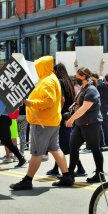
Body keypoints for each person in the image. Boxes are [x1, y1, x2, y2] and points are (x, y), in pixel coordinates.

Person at [10, 56, 74, 190]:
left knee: (36, 153)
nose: (36, 69)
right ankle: (67, 176)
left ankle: (27, 180)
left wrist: (29, 102)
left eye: (37, 67)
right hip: (50, 121)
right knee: (55, 149)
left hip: (42, 122)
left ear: (42, 67)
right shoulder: (51, 78)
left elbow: (48, 101)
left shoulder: (47, 81)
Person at [65, 67, 104, 183]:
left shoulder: (92, 90)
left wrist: (71, 118)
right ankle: (70, 173)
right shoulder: (83, 88)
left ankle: (100, 174)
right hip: (81, 123)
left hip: (91, 124)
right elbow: (79, 102)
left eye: (77, 76)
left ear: (83, 76)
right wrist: (73, 106)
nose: (75, 78)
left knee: (95, 149)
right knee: (73, 147)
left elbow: (85, 107)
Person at [46, 63, 74, 177]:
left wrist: (58, 111)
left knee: (61, 143)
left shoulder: (60, 81)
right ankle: (56, 168)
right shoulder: (69, 82)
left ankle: (79, 168)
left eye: (54, 71)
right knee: (63, 142)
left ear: (57, 71)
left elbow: (62, 99)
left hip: (62, 115)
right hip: (69, 114)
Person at [97, 73, 108, 146]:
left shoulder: (101, 86)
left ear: (105, 79)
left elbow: (98, 83)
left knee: (105, 126)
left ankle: (106, 142)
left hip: (103, 108)